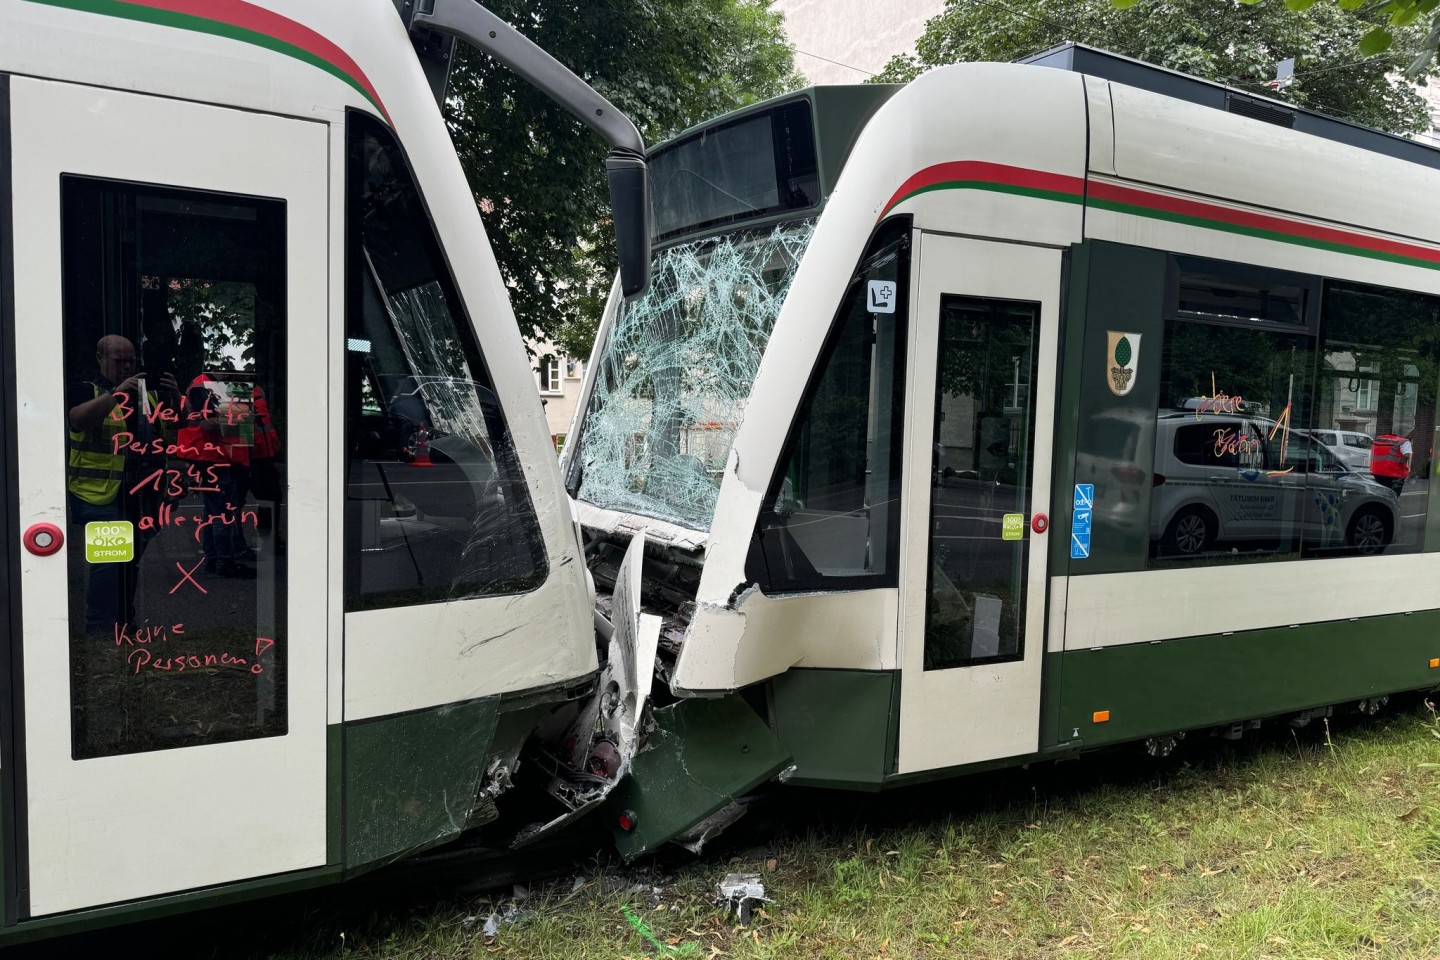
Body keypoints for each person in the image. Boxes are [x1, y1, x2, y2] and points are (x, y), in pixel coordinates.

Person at [66, 335, 178, 632]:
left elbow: (167, 440)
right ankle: (102, 632)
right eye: (119, 361)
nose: (127, 367)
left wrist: (176, 400)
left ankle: (123, 625)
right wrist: (115, 395)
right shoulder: (85, 390)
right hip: (101, 498)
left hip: (142, 497)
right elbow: (77, 420)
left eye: (132, 361)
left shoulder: (148, 396)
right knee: (110, 567)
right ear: (100, 359)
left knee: (126, 565)